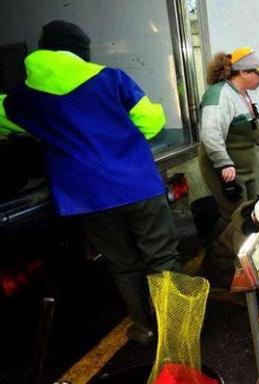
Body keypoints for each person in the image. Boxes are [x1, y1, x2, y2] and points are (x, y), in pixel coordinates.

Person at [0, 20, 180, 345]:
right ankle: (177, 333)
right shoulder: (112, 79)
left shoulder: (23, 98)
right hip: (136, 182)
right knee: (162, 257)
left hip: (86, 196)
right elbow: (152, 123)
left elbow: (6, 120)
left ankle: (145, 328)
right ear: (81, 52)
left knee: (123, 264)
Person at [198, 47, 259, 223]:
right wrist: (224, 164)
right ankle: (229, 249)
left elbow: (240, 128)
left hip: (243, 170)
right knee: (237, 218)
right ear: (243, 72)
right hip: (227, 171)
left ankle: (246, 248)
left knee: (249, 213)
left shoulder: (240, 94)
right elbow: (210, 133)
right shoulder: (220, 94)